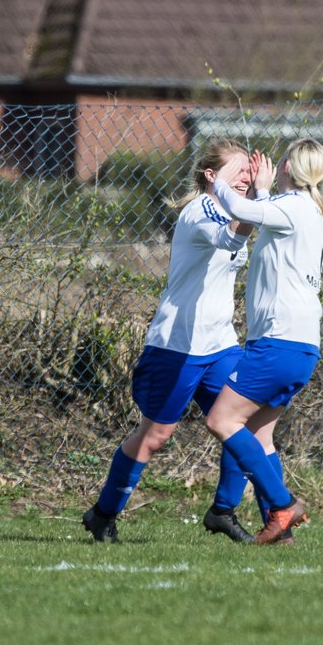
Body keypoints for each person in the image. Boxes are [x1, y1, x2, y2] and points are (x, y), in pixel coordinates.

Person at [82, 138, 265, 544]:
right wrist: (257, 205)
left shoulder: (241, 208)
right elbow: (231, 240)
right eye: (240, 173)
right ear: (211, 177)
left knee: (242, 425)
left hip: (219, 344)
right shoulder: (200, 211)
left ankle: (222, 510)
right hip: (177, 345)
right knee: (155, 437)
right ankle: (103, 514)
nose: (248, 180)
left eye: (250, 174)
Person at [205, 139, 323, 545]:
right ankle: (278, 532)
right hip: (299, 347)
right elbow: (269, 214)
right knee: (259, 436)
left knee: (222, 420)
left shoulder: (294, 207)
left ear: (290, 166)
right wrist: (261, 189)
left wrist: (217, 183)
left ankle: (283, 505)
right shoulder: (305, 209)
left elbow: (244, 212)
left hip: (278, 343)